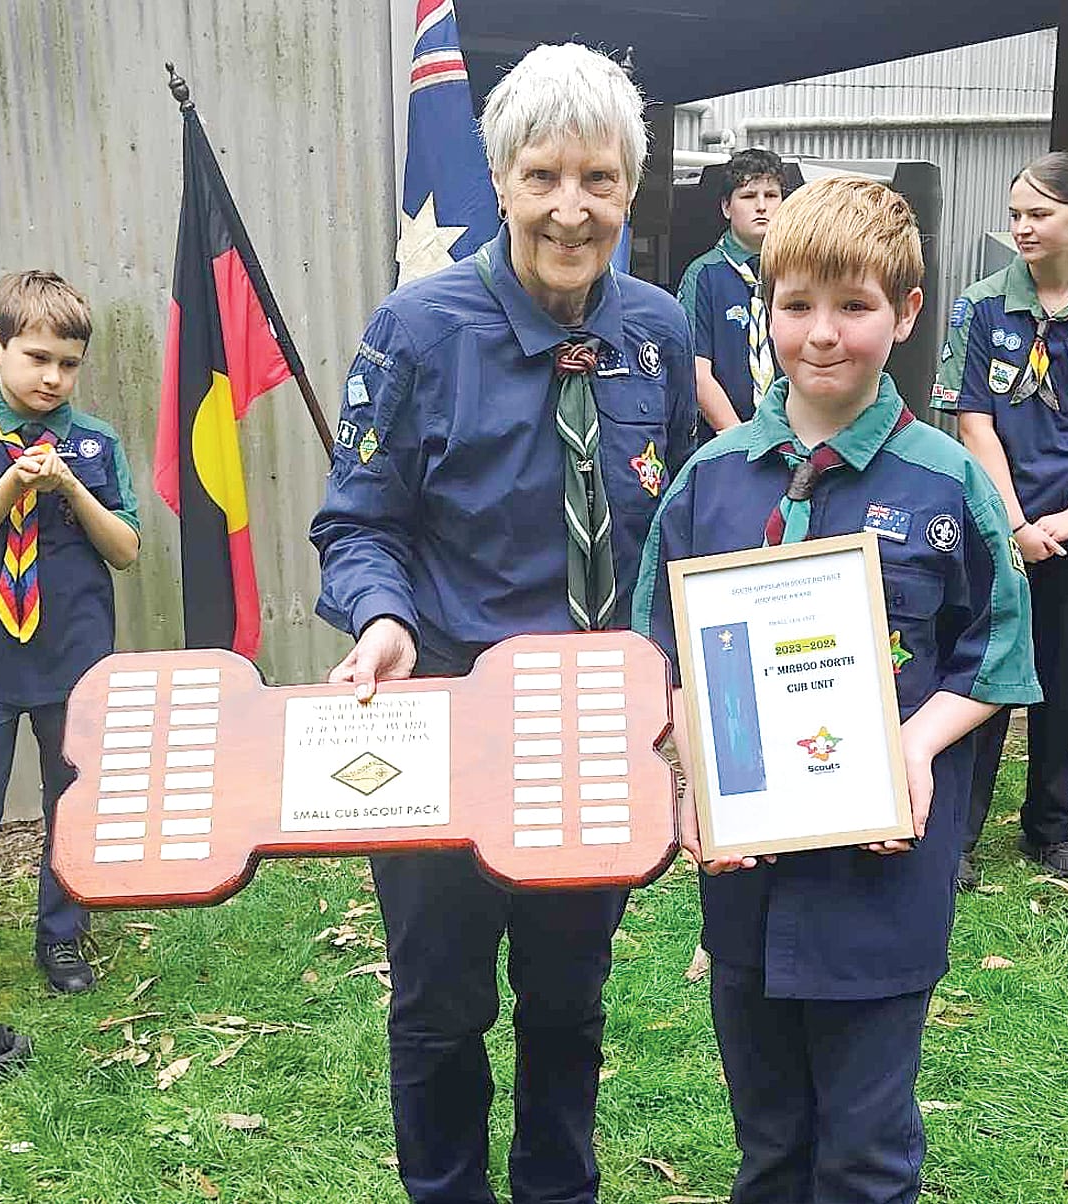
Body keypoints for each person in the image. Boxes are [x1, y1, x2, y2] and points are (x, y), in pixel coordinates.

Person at [310, 43, 696, 1204]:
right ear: (499, 180)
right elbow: (359, 520)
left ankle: (555, 1188)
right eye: (542, 177)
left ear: (630, 186)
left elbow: (671, 524)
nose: (571, 210)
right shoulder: (418, 328)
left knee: (570, 995)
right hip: (447, 718)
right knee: (439, 1002)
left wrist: (677, 673)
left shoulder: (661, 331)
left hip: (593, 732)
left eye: (599, 179)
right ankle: (447, 1192)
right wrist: (380, 617)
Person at [633, 176, 1039, 1203]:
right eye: (796, 304)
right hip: (749, 871)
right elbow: (663, 652)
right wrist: (695, 774)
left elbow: (996, 648)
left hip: (882, 867)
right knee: (769, 1145)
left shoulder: (948, 482)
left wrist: (917, 742)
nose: (822, 334)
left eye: (854, 306)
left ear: (904, 315)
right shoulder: (710, 480)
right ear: (763, 311)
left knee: (863, 1154)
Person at [933, 152, 1068, 886]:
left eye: (1038, 214)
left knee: (1064, 680)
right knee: (988, 673)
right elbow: (973, 421)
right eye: (1015, 214)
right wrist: (1015, 523)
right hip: (998, 525)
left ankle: (1048, 830)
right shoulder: (981, 305)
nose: (1022, 228)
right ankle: (963, 837)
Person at [0, 271, 141, 993]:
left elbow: (126, 549)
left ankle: (62, 936)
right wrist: (12, 485)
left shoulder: (95, 443)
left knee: (68, 800)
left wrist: (71, 489)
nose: (53, 378)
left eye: (68, 363)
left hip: (72, 657)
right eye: (36, 357)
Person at [677, 148, 787, 443]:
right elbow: (696, 372)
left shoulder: (800, 272)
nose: (761, 206)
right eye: (749, 196)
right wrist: (740, 440)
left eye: (771, 195)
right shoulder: (704, 275)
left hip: (793, 441)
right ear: (727, 207)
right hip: (724, 441)